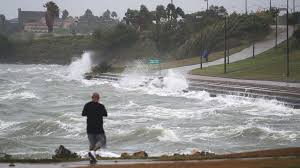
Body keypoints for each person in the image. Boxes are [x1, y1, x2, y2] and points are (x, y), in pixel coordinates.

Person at [82, 92, 108, 164]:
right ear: (99, 98)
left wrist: (90, 113)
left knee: (92, 144)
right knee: (103, 141)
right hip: (99, 128)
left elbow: (83, 114)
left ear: (92, 97)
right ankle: (93, 152)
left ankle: (91, 159)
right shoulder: (101, 106)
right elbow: (105, 114)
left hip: (89, 128)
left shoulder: (87, 105)